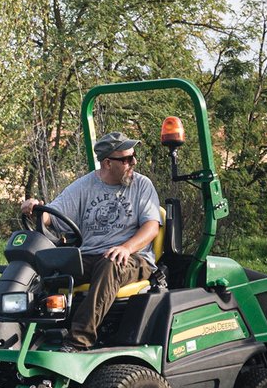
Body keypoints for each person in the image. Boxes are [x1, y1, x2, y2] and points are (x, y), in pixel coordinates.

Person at [20, 131, 161, 351]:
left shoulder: (142, 185)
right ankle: (26, 335)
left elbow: (152, 227)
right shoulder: (84, 186)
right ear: (107, 163)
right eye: (126, 159)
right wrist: (35, 210)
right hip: (90, 256)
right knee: (48, 266)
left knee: (111, 263)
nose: (133, 162)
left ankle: (78, 341)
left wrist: (126, 248)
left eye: (133, 156)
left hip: (133, 258)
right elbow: (52, 215)